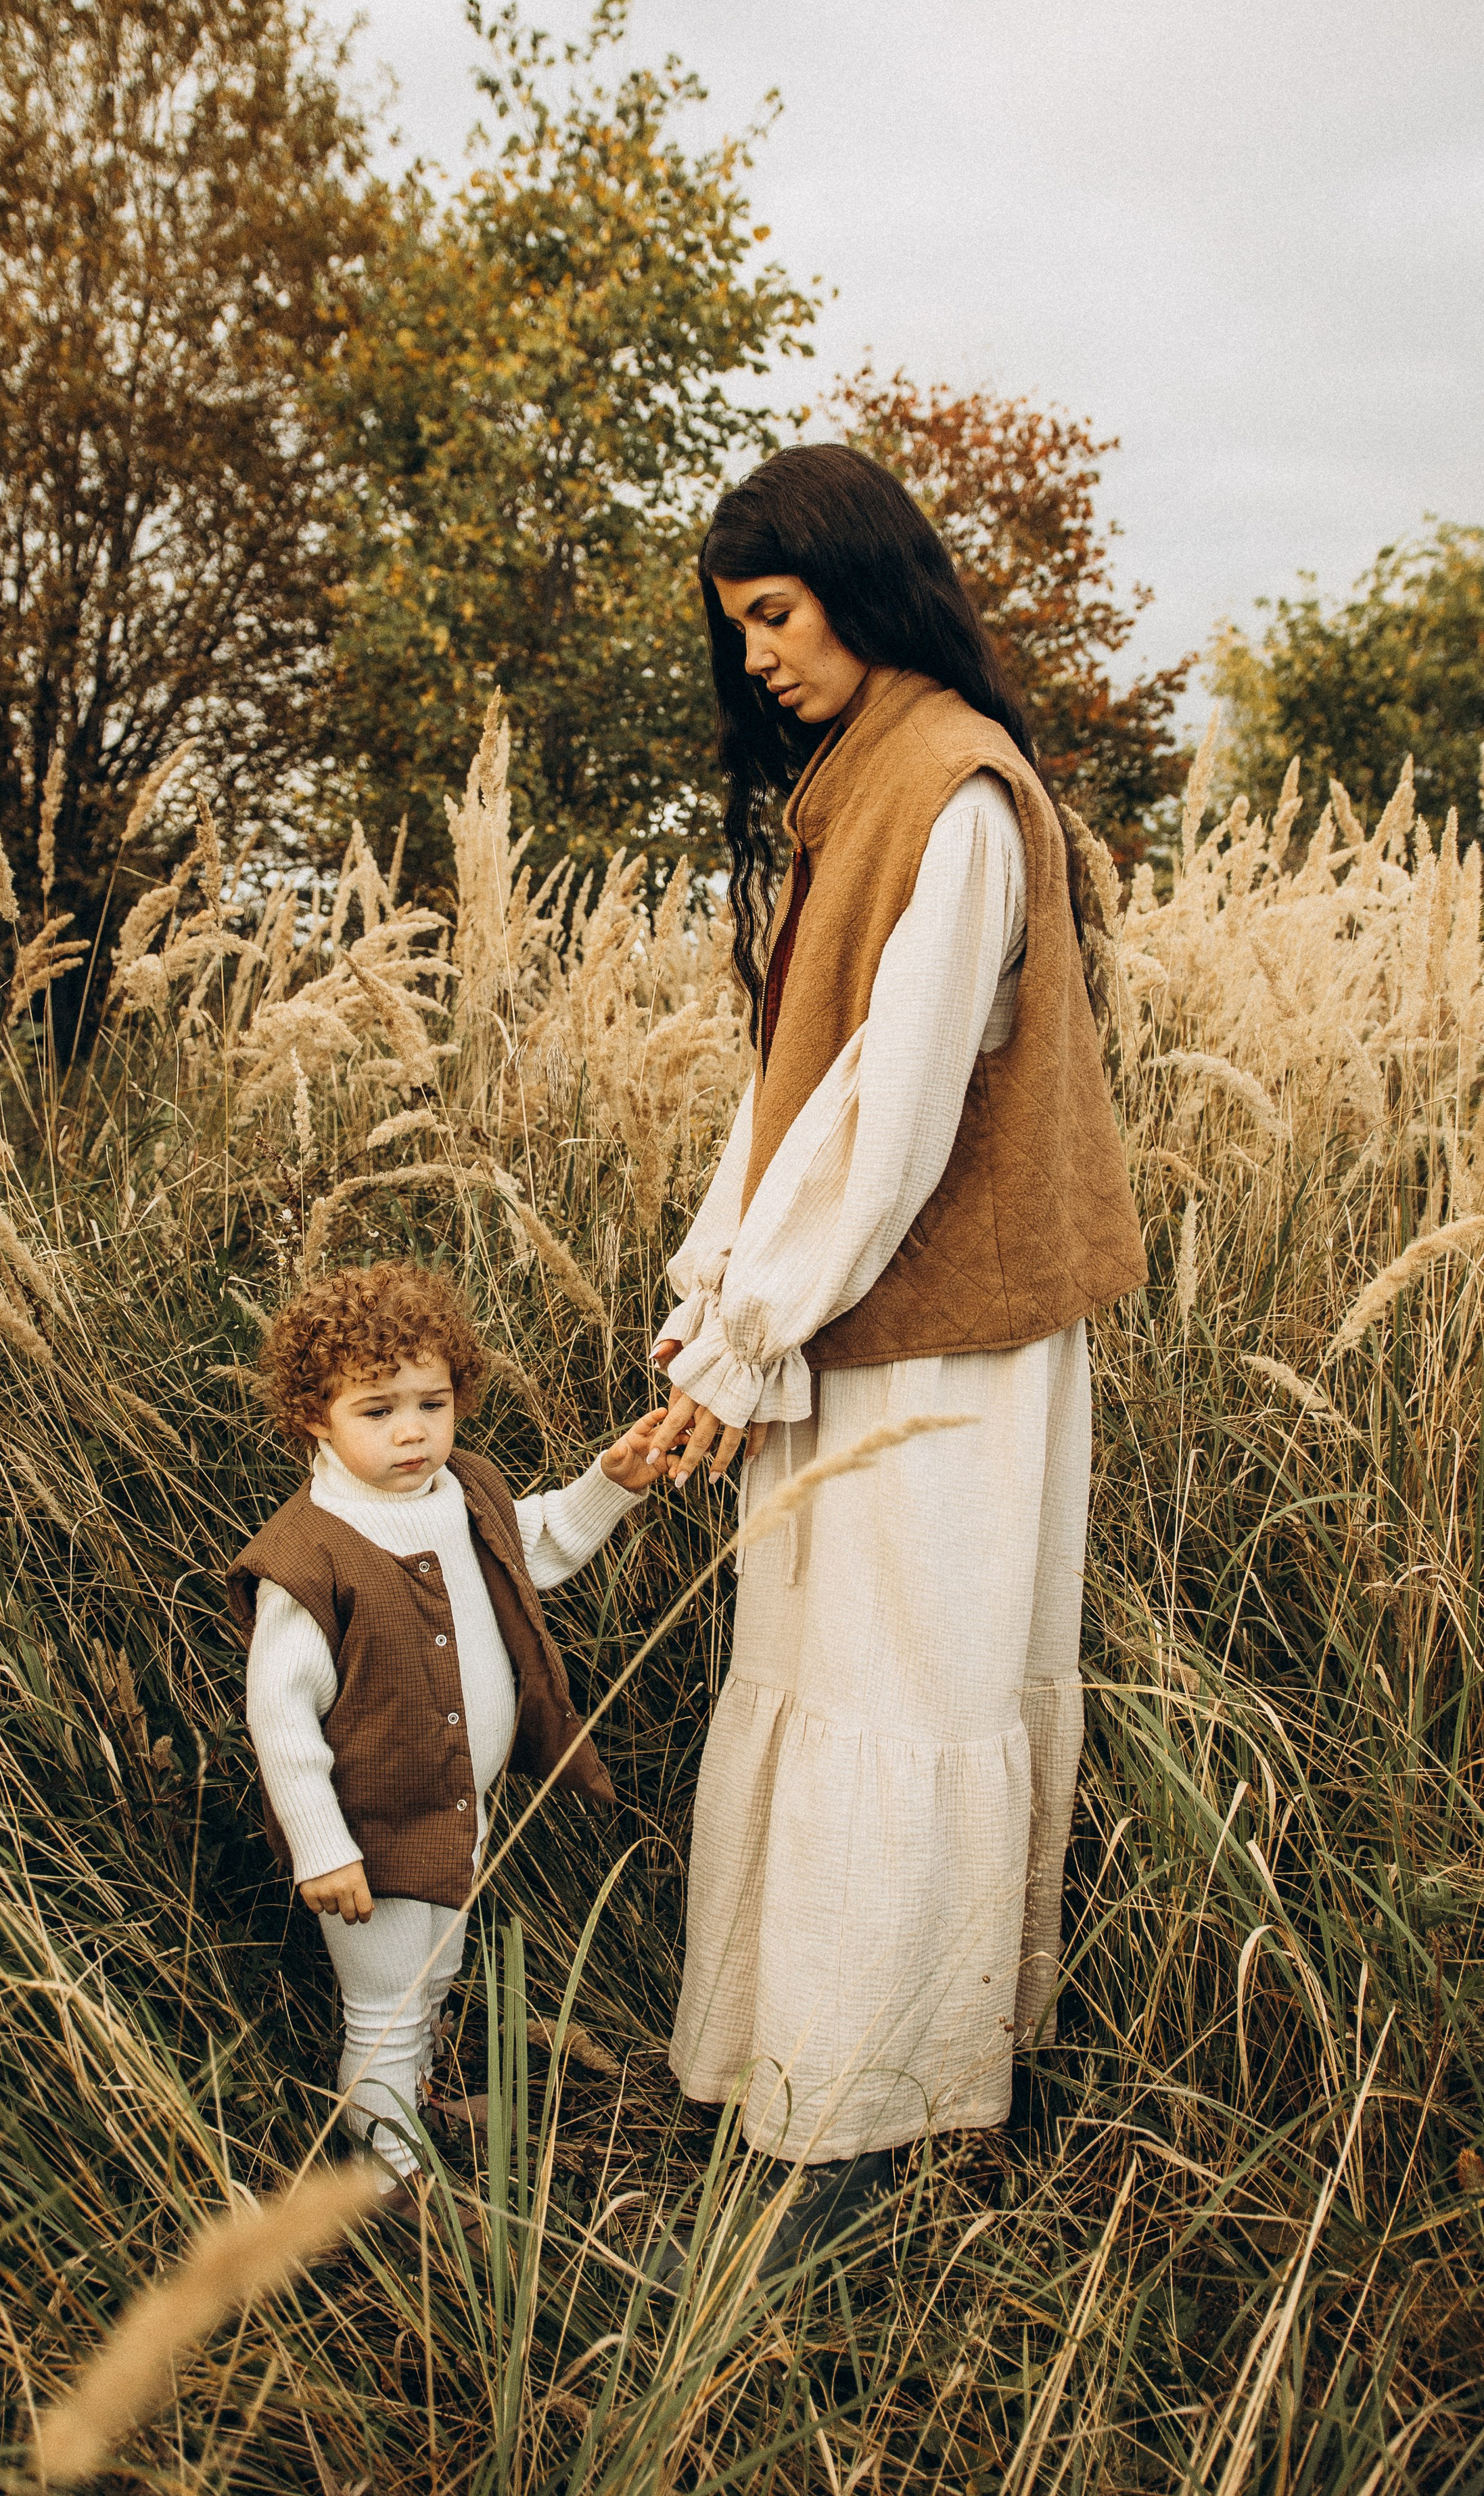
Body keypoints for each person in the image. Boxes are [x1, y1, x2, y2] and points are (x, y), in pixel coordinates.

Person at [645, 444, 1146, 2254]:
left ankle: (860, 2155)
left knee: (903, 1707)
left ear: (862, 581)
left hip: (944, 1351)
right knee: (838, 1694)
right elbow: (792, 1099)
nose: (761, 656)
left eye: (777, 615)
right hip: (853, 1328)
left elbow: (894, 1113)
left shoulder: (951, 790)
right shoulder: (862, 785)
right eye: (741, 630)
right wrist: (715, 1309)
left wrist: (750, 1330)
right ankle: (816, 2096)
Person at [230, 1259, 663, 2219]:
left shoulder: (462, 1491)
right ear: (316, 1416)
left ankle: (410, 2105)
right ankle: (385, 2175)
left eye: (432, 1402)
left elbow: (532, 1544)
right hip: (373, 1828)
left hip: (459, 1803)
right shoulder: (309, 1555)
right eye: (377, 1411)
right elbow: (281, 1715)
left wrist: (611, 1484)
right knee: (381, 2005)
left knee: (435, 1973)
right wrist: (322, 1845)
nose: (413, 1431)